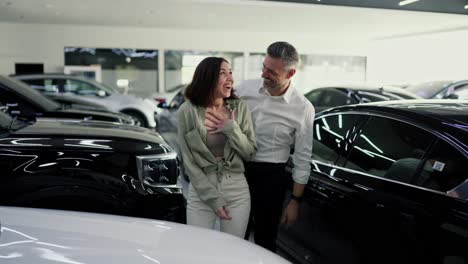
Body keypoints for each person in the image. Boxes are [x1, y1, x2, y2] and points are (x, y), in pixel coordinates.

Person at [236, 41, 315, 251]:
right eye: (263, 67)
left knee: (265, 240)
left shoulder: (303, 108)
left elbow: (302, 158)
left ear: (290, 74)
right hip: (238, 171)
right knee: (234, 236)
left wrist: (295, 201)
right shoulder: (244, 89)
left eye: (271, 71)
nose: (264, 74)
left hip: (271, 178)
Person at [177, 57, 257, 238]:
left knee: (233, 252)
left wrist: (231, 129)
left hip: (237, 190)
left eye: (231, 72)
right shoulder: (187, 111)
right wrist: (213, 198)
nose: (230, 78)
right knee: (199, 251)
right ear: (207, 77)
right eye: (223, 73)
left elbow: (250, 152)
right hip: (202, 190)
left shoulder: (240, 108)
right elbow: (189, 163)